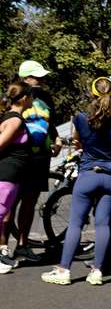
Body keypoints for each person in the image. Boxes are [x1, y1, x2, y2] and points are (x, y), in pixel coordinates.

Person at [42, 77, 111, 286]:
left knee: (76, 223)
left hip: (88, 174)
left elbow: (77, 140)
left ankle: (64, 269)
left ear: (92, 94)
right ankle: (97, 271)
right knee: (103, 223)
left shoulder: (80, 118)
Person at [1, 60, 63, 263]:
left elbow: (49, 121)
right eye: (37, 77)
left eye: (42, 77)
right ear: (25, 78)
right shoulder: (18, 97)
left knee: (29, 202)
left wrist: (56, 138)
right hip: (20, 157)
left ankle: (22, 245)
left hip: (40, 157)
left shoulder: (45, 97)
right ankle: (2, 248)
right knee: (9, 203)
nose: (42, 80)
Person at [0, 82, 33, 272]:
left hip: (12, 175)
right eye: (31, 97)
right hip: (6, 174)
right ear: (25, 98)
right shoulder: (15, 120)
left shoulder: (14, 118)